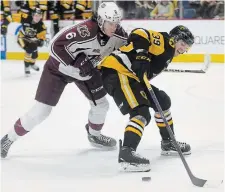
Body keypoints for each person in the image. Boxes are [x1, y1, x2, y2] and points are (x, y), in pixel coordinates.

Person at [1, 2, 127, 158]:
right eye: (110, 23)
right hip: (58, 69)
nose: (114, 27)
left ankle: (94, 135)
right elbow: (55, 45)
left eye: (116, 23)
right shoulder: (85, 30)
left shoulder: (119, 35)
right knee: (42, 111)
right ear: (100, 20)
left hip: (86, 72)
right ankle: (8, 139)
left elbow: (129, 50)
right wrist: (75, 62)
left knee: (102, 104)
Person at [99, 25, 194, 172]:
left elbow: (143, 70)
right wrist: (142, 55)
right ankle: (127, 153)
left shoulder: (168, 54)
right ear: (174, 39)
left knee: (163, 101)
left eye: (186, 48)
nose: (183, 50)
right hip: (118, 72)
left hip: (132, 77)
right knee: (140, 112)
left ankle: (168, 142)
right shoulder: (166, 41)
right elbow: (139, 33)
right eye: (182, 44)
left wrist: (143, 60)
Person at [17, 7, 46, 76]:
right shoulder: (25, 17)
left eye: (39, 16)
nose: (37, 18)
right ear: (32, 15)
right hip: (22, 38)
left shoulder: (41, 25)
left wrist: (41, 40)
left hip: (32, 40)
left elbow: (42, 35)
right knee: (29, 51)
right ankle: (27, 67)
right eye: (36, 15)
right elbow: (12, 17)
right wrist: (4, 25)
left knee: (35, 55)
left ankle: (32, 64)